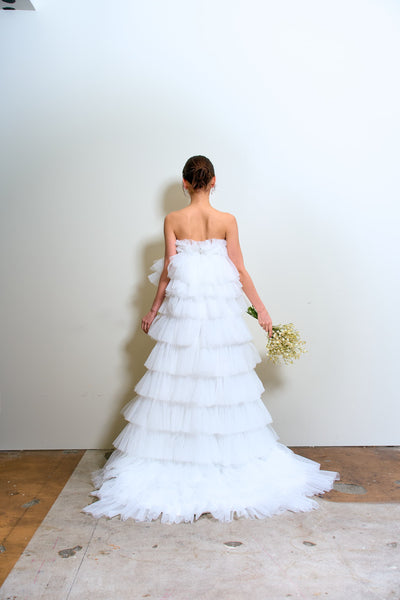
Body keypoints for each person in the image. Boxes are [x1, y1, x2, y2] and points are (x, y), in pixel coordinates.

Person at [81, 155, 339, 524]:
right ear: (213, 181)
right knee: (221, 383)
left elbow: (168, 273)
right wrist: (262, 311)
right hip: (219, 320)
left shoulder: (173, 220)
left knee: (179, 383)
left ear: (185, 183)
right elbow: (240, 269)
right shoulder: (227, 220)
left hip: (184, 319)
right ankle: (220, 456)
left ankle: (180, 457)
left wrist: (153, 311)